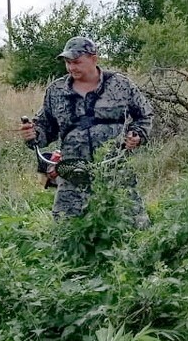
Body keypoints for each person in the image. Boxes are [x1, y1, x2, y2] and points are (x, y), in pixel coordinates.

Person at [20, 36, 153, 225]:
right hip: (73, 172)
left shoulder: (121, 85)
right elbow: (44, 128)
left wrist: (137, 135)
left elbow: (145, 115)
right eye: (67, 63)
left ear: (94, 58)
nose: (71, 67)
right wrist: (32, 134)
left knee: (133, 227)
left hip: (115, 169)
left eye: (76, 62)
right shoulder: (56, 91)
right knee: (66, 230)